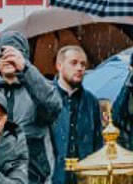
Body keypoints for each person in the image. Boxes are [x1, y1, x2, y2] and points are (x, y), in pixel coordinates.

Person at [0, 32, 63, 184]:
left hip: (34, 176)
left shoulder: (37, 88)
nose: (6, 58)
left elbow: (53, 107)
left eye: (13, 53)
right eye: (1, 53)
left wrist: (25, 69)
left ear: (24, 57)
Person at [52, 45, 104, 184]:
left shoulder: (91, 101)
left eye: (83, 64)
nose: (80, 68)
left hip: (84, 177)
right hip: (53, 177)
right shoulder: (47, 97)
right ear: (59, 65)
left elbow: (98, 143)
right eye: (74, 63)